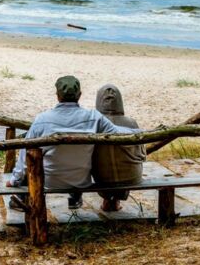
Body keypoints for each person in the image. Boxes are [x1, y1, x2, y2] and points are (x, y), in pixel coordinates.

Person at [9, 76, 135, 209]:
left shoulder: (42, 119)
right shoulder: (94, 117)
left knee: (30, 163)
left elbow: (24, 155)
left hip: (49, 182)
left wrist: (14, 180)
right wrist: (139, 131)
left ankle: (22, 198)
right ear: (79, 95)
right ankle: (75, 198)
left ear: (57, 96)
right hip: (80, 181)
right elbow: (118, 133)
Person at [92, 84, 147, 212]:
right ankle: (116, 200)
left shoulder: (93, 124)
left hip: (102, 180)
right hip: (131, 178)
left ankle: (107, 199)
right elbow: (142, 155)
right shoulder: (131, 123)